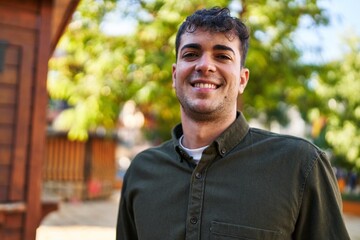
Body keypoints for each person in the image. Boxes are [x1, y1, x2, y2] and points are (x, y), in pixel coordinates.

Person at [116, 7, 350, 240]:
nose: (205, 65)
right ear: (175, 76)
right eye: (191, 54)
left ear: (242, 79)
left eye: (222, 56)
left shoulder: (301, 165)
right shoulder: (141, 170)